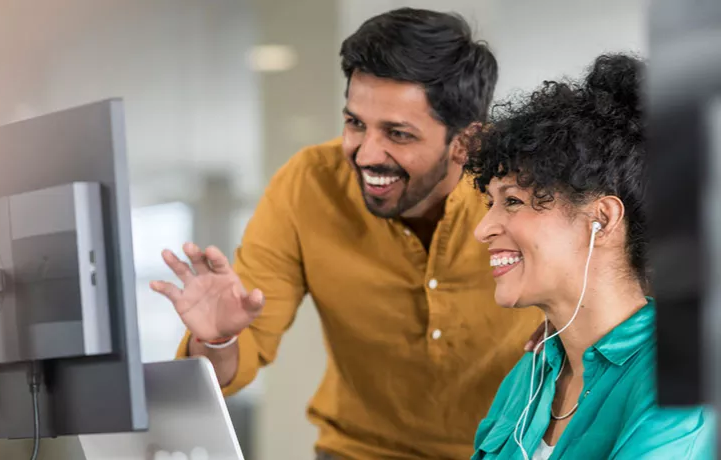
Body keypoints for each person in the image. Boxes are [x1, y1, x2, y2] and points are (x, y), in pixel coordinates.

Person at [151, 8, 542, 459]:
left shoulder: (529, 190)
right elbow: (241, 355)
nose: (366, 153)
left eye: (398, 133)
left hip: (511, 450)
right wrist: (218, 339)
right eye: (356, 123)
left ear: (466, 142)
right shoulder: (308, 184)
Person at [467, 54, 716, 459]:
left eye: (512, 201)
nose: (483, 230)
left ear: (602, 218)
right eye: (490, 203)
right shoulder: (529, 377)